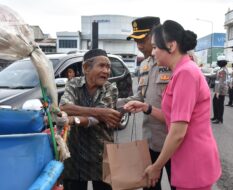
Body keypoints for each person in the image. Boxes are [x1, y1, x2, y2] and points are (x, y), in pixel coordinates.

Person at [124, 21, 221, 190]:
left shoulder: (186, 73)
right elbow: (172, 117)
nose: (153, 53)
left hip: (192, 160)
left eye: (155, 47)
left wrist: (156, 167)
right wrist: (145, 107)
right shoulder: (181, 71)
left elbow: (177, 132)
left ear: (171, 45)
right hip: (185, 156)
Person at [118, 16, 172, 190]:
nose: (139, 46)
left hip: (173, 143)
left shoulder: (175, 62)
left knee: (178, 185)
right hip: (150, 141)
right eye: (136, 41)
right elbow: (140, 97)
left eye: (142, 40)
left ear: (157, 35)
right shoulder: (144, 65)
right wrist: (115, 105)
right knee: (149, 186)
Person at [59, 49, 122, 190]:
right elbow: (63, 106)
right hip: (74, 158)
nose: (106, 71)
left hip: (100, 157)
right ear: (86, 68)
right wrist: (99, 111)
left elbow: (95, 120)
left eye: (108, 67)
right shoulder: (73, 84)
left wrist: (72, 119)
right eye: (102, 66)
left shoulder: (111, 88)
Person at [211, 55, 229, 124]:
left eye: (218, 62)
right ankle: (215, 116)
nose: (217, 63)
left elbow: (221, 82)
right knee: (215, 102)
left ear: (221, 62)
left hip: (220, 90)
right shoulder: (221, 69)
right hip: (218, 89)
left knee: (219, 104)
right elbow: (215, 76)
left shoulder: (223, 70)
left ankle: (219, 119)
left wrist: (218, 92)